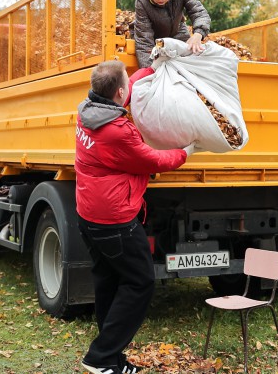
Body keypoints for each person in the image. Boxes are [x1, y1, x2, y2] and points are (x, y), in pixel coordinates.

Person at [75, 60, 195, 374]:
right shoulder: (117, 132)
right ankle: (99, 357)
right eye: (127, 83)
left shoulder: (88, 110)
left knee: (108, 283)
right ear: (118, 91)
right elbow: (152, 160)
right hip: (114, 221)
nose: (129, 88)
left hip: (90, 215)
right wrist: (187, 152)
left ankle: (111, 360)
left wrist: (151, 68)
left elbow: (126, 92)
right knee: (141, 282)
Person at [134, 0, 211, 69]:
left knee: (191, 63)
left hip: (178, 32)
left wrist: (198, 34)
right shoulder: (141, 1)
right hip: (155, 42)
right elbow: (144, 41)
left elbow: (199, 12)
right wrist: (150, 71)